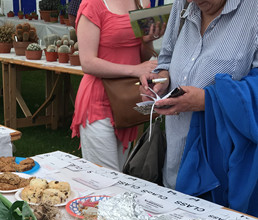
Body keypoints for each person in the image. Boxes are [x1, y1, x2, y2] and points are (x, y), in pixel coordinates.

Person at [143, 0, 258, 194]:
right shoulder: (183, 4)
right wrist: (161, 77)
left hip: (223, 173)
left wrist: (207, 100)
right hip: (175, 157)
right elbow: (166, 58)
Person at [70, 0, 165, 171]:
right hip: (98, 102)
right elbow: (88, 63)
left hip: (126, 102)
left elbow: (140, 57)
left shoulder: (142, 2)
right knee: (105, 180)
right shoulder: (93, 4)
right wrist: (134, 70)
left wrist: (147, 41)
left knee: (120, 176)